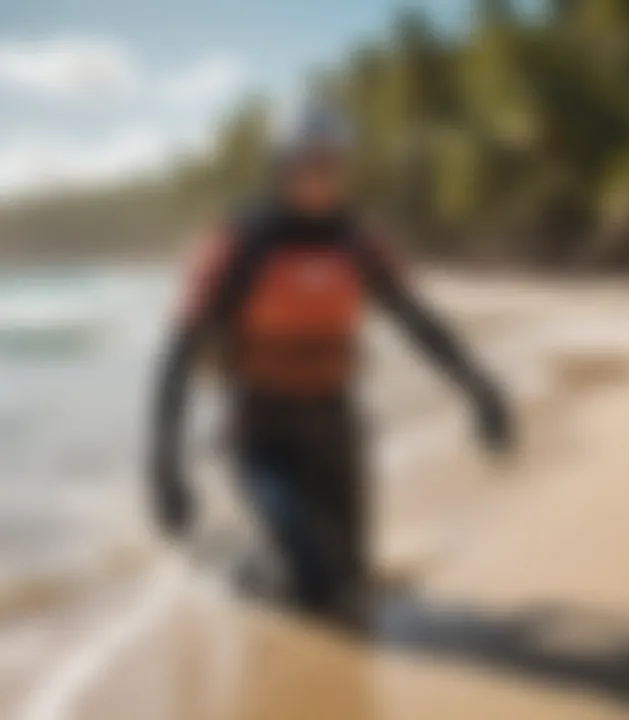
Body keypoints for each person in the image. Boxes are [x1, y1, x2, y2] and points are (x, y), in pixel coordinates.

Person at [149, 106, 514, 627]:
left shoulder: (358, 244)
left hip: (335, 427)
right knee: (314, 587)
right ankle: (238, 567)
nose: (320, 175)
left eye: (331, 163)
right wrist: (163, 464)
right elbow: (178, 353)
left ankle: (282, 553)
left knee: (352, 580)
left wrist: (481, 389)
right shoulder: (240, 245)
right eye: (307, 162)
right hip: (261, 433)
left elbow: (418, 322)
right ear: (281, 167)